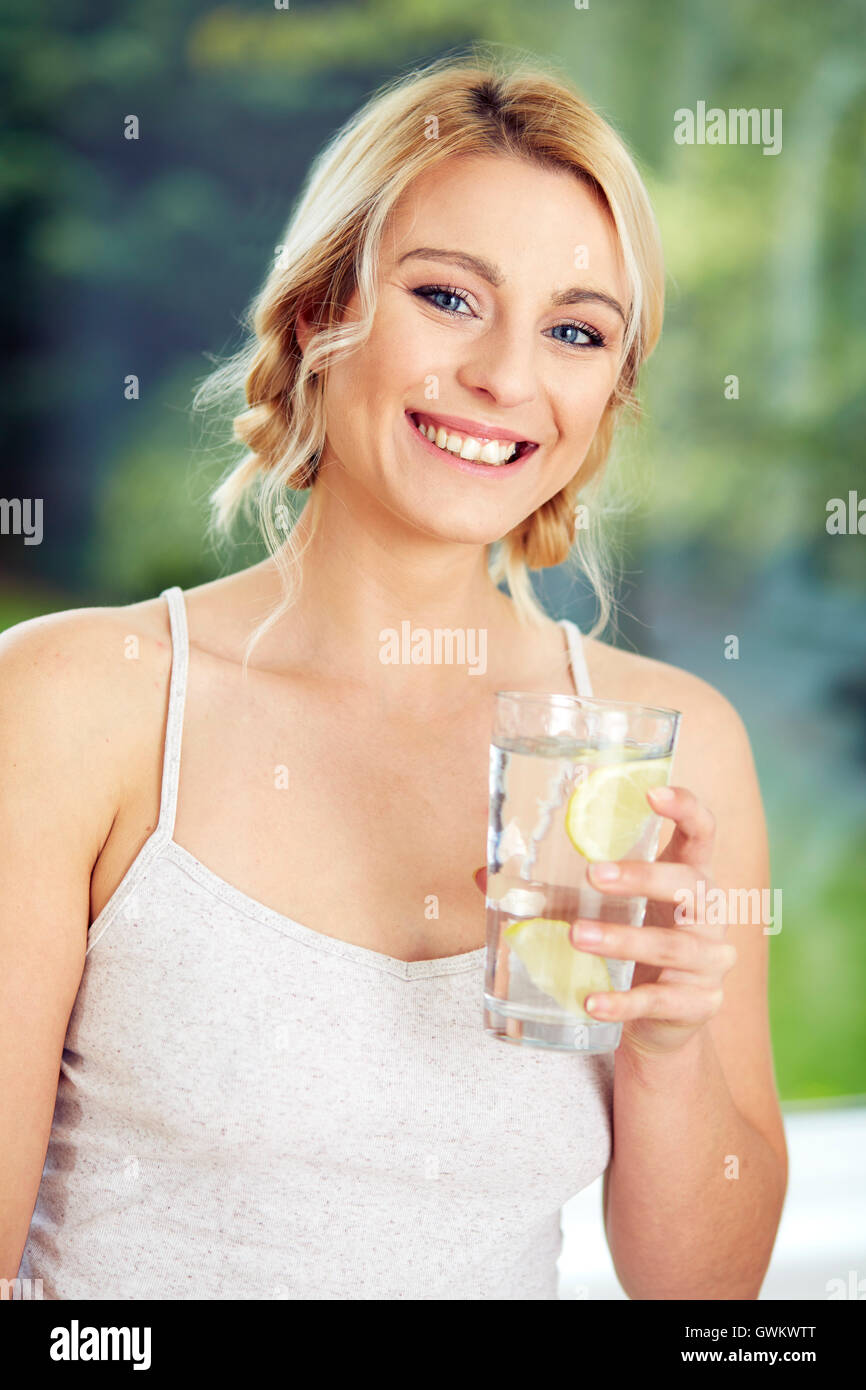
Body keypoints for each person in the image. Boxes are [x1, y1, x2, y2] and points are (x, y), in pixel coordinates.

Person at [1, 50, 787, 1300]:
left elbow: (702, 1300)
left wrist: (671, 1048)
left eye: (574, 330)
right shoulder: (78, 703)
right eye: (448, 298)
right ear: (322, 313)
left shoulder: (662, 750)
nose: (504, 378)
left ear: (605, 393)